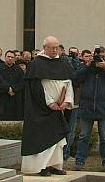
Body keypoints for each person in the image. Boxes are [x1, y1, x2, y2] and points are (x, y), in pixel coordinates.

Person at [21, 36, 75, 176]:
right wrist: (50, 102)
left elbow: (68, 83)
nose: (55, 50)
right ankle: (41, 166)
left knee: (57, 139)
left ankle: (55, 165)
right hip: (40, 109)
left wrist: (66, 101)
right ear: (44, 48)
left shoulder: (63, 62)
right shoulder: (36, 64)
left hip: (59, 108)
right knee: (42, 139)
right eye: (52, 47)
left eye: (57, 47)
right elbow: (37, 88)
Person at [72, 48, 105, 172]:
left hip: (104, 107)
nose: (99, 58)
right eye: (97, 56)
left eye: (102, 56)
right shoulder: (87, 68)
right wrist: (87, 66)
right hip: (86, 107)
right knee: (84, 136)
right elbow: (75, 79)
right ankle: (79, 161)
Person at [0, 50, 25, 121]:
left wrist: (14, 89)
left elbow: (22, 82)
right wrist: (8, 89)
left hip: (16, 97)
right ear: (5, 57)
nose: (10, 58)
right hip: (3, 97)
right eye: (8, 56)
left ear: (15, 58)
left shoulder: (18, 69)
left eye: (12, 57)